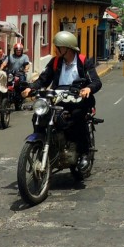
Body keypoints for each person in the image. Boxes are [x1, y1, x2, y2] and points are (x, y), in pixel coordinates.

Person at [22, 30, 102, 172]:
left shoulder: (84, 62)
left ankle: (83, 153)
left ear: (66, 48)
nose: (55, 49)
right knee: (39, 116)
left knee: (77, 117)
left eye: (57, 46)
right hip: (58, 98)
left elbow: (96, 81)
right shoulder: (56, 62)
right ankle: (41, 145)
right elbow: (43, 79)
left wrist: (88, 88)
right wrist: (31, 88)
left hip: (79, 100)